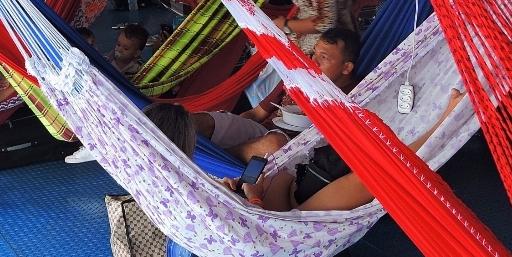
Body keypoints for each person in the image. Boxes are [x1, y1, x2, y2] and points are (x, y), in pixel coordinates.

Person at [147, 89, 463, 213]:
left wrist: (236, 188)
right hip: (290, 222)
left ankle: (441, 126)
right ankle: (444, 125)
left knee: (363, 162)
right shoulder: (183, 191)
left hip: (289, 191)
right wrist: (255, 194)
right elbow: (265, 225)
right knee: (374, 176)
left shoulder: (167, 181)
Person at [192, 28, 361, 163]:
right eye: (314, 53)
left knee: (273, 144)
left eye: (323, 57)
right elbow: (256, 114)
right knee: (202, 122)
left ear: (347, 68)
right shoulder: (298, 76)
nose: (313, 61)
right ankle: (207, 157)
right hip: (263, 131)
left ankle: (213, 160)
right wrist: (234, 126)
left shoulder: (357, 97)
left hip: (293, 150)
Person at [65, 23, 150, 164]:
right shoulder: (104, 62)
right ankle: (95, 144)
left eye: (126, 48)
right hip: (105, 102)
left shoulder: (142, 70)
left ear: (137, 53)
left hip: (127, 106)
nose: (119, 49)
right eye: (118, 45)